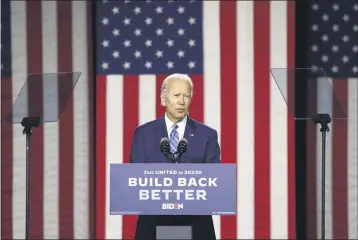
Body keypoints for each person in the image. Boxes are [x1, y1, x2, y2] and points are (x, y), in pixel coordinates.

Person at [129, 73, 220, 240]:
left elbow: (214, 180)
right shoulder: (143, 134)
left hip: (196, 223)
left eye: (186, 96)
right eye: (176, 95)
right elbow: (135, 178)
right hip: (153, 223)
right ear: (164, 98)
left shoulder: (207, 135)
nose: (182, 102)